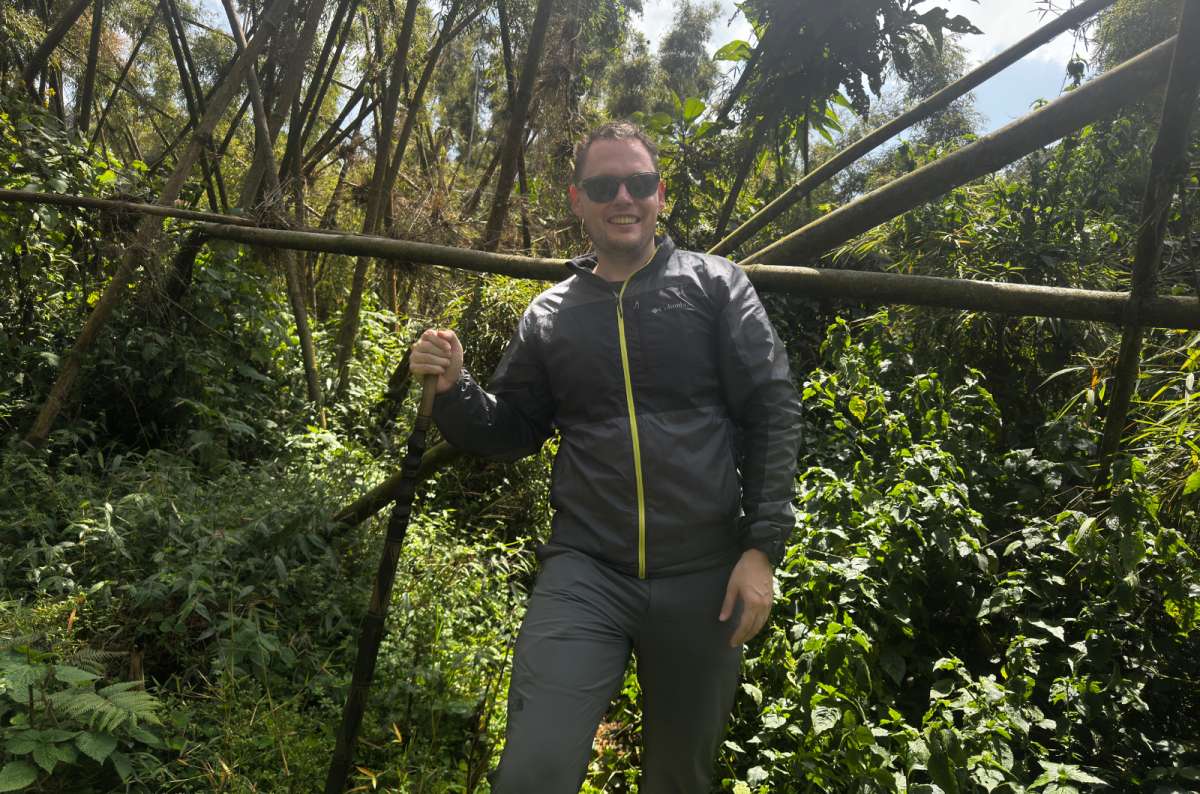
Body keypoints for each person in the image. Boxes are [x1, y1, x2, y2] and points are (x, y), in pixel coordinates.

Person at [409, 121, 801, 792]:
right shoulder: (549, 315)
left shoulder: (717, 287)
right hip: (585, 569)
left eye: (639, 182)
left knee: (679, 777)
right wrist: (454, 391)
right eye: (604, 185)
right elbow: (512, 429)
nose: (625, 196)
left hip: (704, 573)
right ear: (577, 200)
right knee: (534, 769)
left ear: (660, 194)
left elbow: (773, 408)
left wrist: (761, 550)